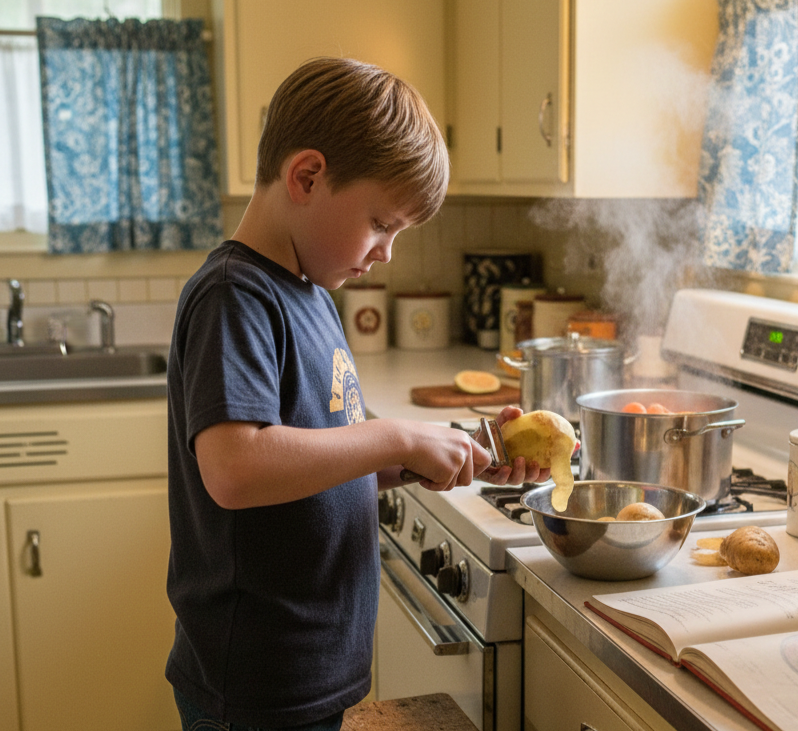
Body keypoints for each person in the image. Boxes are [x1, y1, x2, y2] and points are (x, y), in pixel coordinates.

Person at [164, 56, 548, 731]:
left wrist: (453, 454)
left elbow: (321, 458)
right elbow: (235, 468)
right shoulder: (236, 295)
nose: (387, 252)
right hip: (253, 683)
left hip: (313, 670)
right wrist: (397, 433)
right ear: (307, 176)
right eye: (381, 222)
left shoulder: (309, 292)